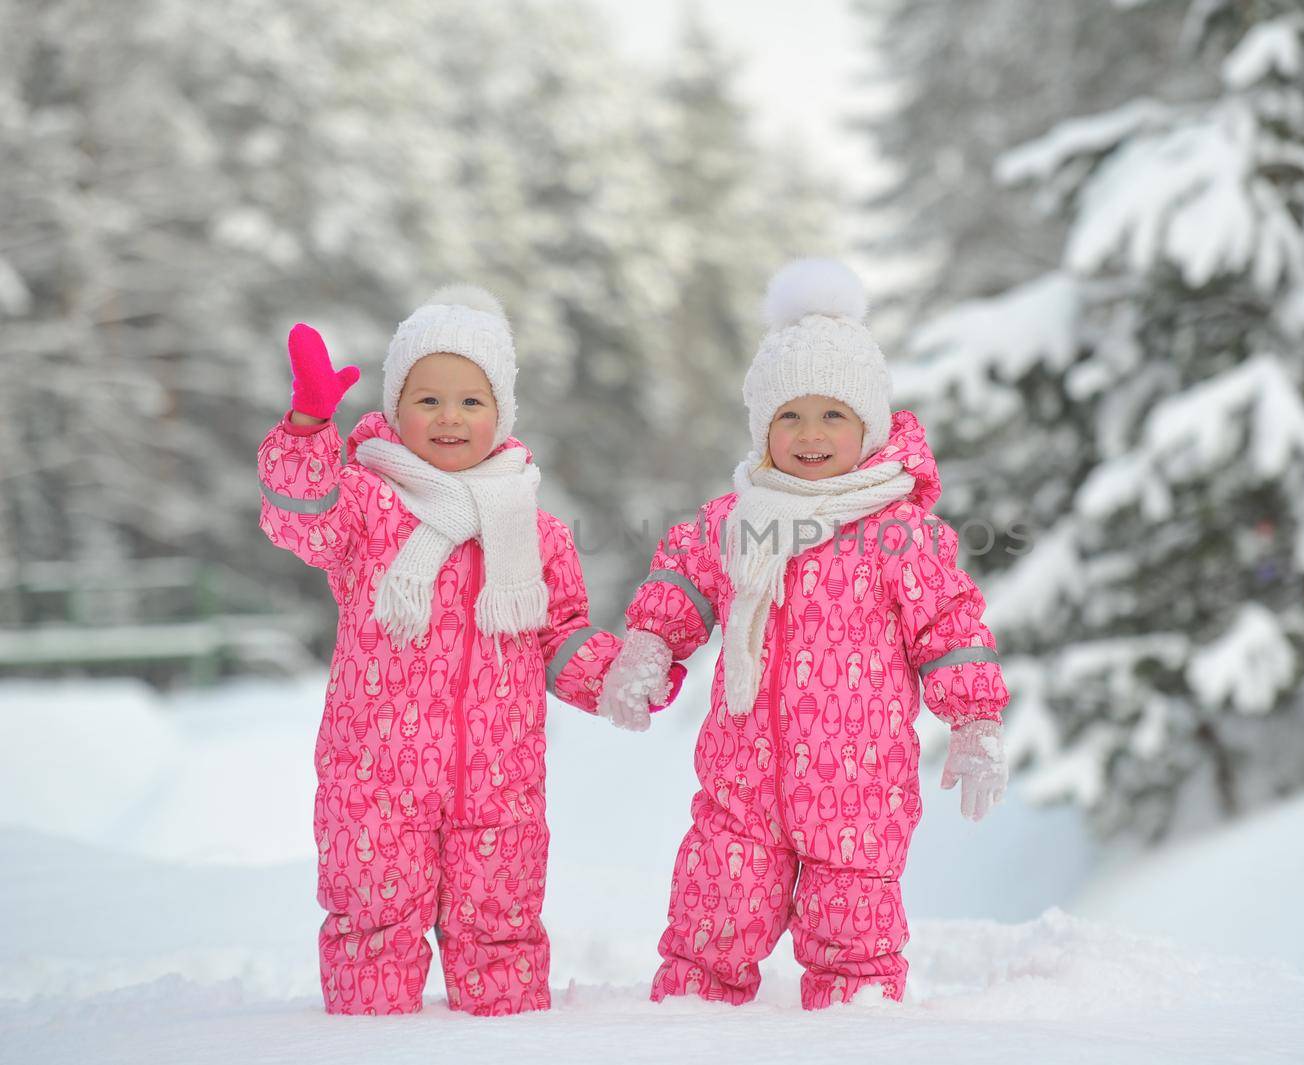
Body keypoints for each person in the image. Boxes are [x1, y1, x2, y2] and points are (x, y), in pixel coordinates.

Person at [596, 259, 1010, 1008]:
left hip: (859, 796)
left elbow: (950, 626)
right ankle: (684, 1037)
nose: (810, 435)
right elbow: (680, 582)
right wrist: (651, 645)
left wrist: (974, 721)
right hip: (740, 787)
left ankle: (853, 1036)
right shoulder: (736, 519)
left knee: (854, 949)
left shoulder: (899, 534)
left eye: (832, 415)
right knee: (707, 928)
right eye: (789, 415)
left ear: (868, 427)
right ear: (763, 428)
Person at [258, 285, 676, 1015]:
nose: (449, 417)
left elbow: (559, 634)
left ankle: (507, 1043)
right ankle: (360, 1044)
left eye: (471, 401)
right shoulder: (366, 504)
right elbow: (302, 517)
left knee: (500, 927)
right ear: (395, 409)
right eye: (428, 400)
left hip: (500, 779)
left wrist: (616, 673)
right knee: (371, 927)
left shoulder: (534, 530)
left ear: (501, 413)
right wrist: (305, 429)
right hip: (375, 775)